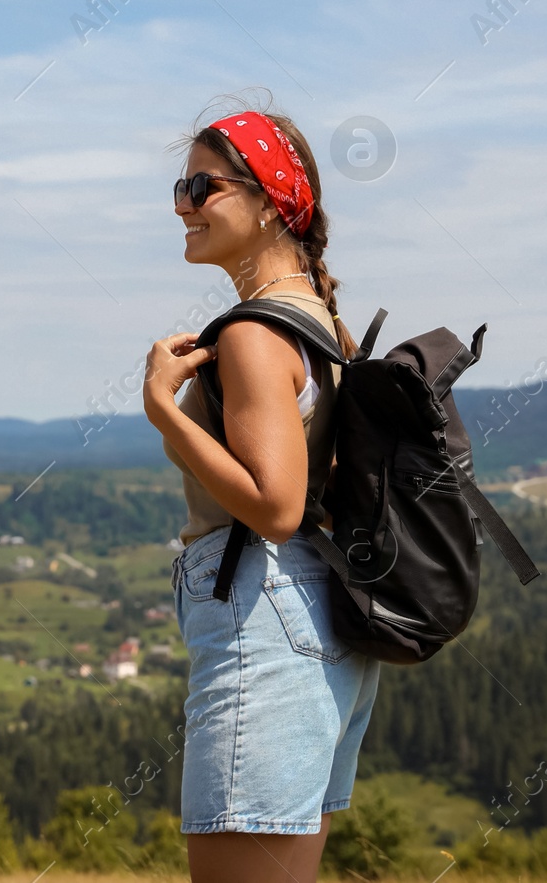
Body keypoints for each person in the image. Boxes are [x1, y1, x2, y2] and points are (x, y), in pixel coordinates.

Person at [144, 100, 381, 883]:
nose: (182, 206)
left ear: (270, 196)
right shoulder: (325, 322)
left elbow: (275, 506)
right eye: (179, 189)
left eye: (201, 188)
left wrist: (160, 410)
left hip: (263, 618)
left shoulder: (249, 332)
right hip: (324, 624)